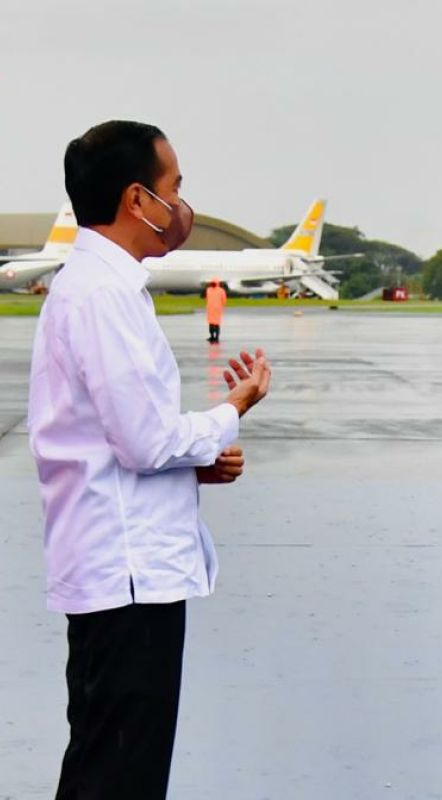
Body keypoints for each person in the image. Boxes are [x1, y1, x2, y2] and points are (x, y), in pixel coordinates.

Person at [28, 120, 273, 800]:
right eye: (175, 188)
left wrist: (195, 463)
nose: (181, 205)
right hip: (127, 569)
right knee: (119, 773)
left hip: (117, 560)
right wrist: (234, 409)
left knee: (107, 759)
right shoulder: (103, 296)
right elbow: (143, 440)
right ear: (138, 199)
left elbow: (108, 434)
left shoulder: (96, 285)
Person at [206, 278, 227, 343]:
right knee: (216, 323)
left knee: (212, 323)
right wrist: (221, 306)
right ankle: (215, 337)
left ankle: (213, 337)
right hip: (217, 309)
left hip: (211, 309)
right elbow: (224, 300)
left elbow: (207, 298)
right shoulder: (221, 290)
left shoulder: (208, 290)